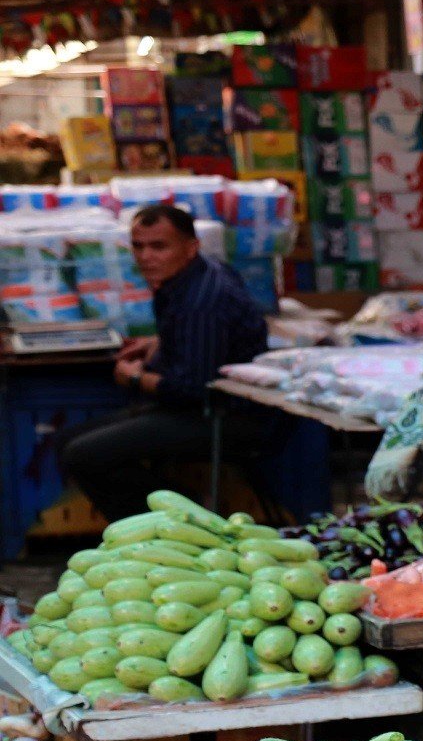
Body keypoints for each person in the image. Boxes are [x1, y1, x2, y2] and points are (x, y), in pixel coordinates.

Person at [58, 203, 270, 520]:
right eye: (138, 246)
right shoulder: (192, 277)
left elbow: (192, 389)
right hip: (201, 406)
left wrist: (133, 378)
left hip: (227, 415)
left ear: (190, 247)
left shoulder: (201, 301)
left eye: (159, 246)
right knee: (67, 441)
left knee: (84, 455)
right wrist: (157, 342)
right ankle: (181, 508)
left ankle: (188, 517)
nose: (146, 257)